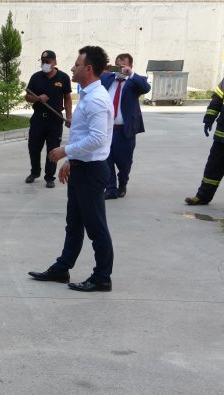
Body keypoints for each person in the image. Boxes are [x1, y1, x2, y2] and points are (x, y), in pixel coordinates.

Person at [28, 45, 115, 292]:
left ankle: (102, 277)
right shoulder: (88, 95)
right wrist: (72, 161)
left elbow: (98, 139)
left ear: (88, 69)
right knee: (74, 223)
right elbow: (84, 135)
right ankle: (62, 267)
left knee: (96, 227)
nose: (73, 68)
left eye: (77, 64)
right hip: (81, 167)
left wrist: (65, 151)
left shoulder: (97, 99)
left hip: (92, 172)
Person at [101, 54, 150, 199]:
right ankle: (110, 188)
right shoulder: (107, 79)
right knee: (106, 159)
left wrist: (131, 74)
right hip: (107, 129)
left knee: (125, 162)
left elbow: (146, 87)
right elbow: (93, 80)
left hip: (125, 131)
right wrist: (103, 69)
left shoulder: (134, 82)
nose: (119, 67)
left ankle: (123, 182)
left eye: (122, 65)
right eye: (117, 64)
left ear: (130, 66)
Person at [24, 50, 72, 188]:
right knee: (33, 147)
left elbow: (67, 99)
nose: (45, 64)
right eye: (43, 61)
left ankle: (49, 177)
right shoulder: (36, 77)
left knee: (53, 149)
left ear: (55, 62)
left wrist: (69, 116)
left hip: (55, 120)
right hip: (38, 119)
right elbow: (27, 97)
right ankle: (34, 172)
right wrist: (37, 98)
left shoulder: (63, 78)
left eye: (48, 61)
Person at [185, 76, 224, 205]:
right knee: (213, 168)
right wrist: (209, 118)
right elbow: (217, 100)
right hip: (222, 136)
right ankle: (203, 196)